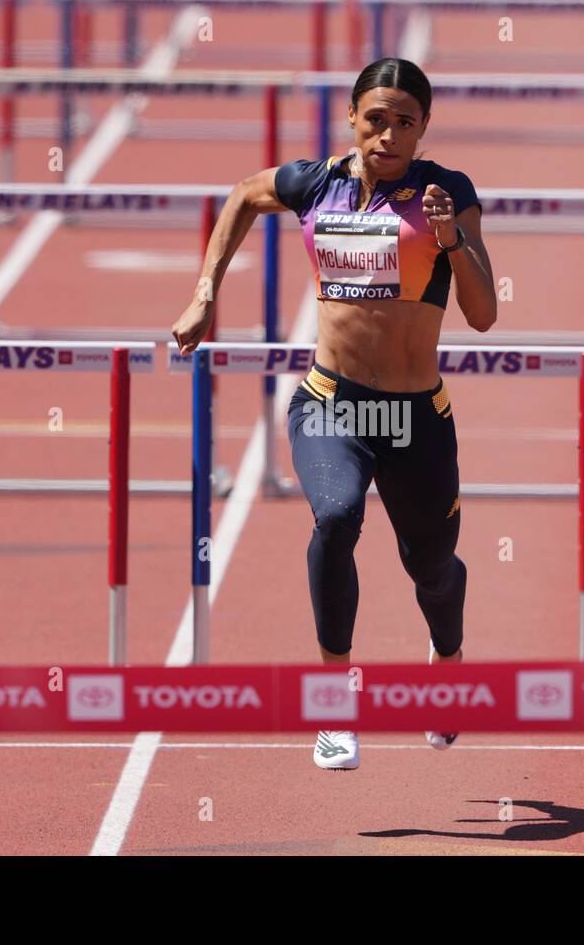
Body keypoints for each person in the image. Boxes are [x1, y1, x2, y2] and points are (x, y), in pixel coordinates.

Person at [171, 58, 497, 770]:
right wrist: (205, 292)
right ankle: (334, 702)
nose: (388, 134)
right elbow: (241, 196)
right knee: (335, 517)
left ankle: (449, 660)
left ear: (423, 128)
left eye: (404, 122)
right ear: (352, 117)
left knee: (432, 568)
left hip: (415, 416)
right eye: (375, 118)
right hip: (332, 404)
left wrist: (451, 240)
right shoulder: (313, 183)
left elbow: (483, 315)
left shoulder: (449, 192)